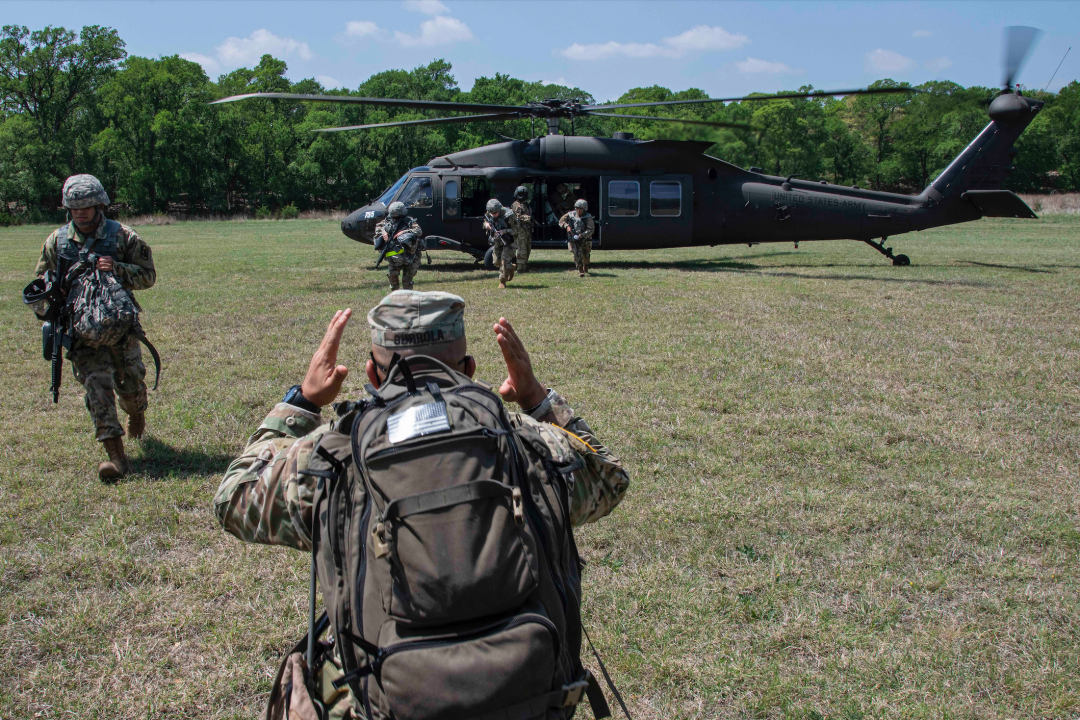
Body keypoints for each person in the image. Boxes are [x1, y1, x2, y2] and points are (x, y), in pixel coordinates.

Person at [214, 291, 630, 718]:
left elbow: (234, 495)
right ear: (469, 369)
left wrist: (301, 401)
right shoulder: (528, 441)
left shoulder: (332, 454)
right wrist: (538, 400)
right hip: (526, 697)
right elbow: (609, 477)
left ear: (372, 377)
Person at [34, 174, 156, 480]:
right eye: (74, 207)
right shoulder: (56, 242)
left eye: (86, 205)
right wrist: (53, 294)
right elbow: (39, 288)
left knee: (130, 386)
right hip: (81, 333)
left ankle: (137, 412)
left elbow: (148, 276)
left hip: (119, 327)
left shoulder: (122, 236)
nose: (80, 212)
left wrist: (116, 268)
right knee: (97, 389)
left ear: (99, 204)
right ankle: (116, 458)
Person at [374, 201, 423, 291]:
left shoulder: (409, 221)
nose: (395, 219)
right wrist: (383, 232)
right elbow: (378, 227)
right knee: (393, 279)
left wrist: (403, 232)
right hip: (394, 258)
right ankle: (395, 301)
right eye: (393, 217)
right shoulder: (387, 221)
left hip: (410, 257)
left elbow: (419, 231)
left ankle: (407, 302)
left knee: (407, 282)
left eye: (397, 217)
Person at [483, 198, 520, 289]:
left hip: (510, 241)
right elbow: (485, 221)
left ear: (499, 209)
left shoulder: (509, 215)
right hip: (498, 241)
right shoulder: (490, 213)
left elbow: (517, 230)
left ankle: (502, 281)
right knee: (496, 261)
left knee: (504, 260)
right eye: (492, 213)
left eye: (495, 213)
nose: (493, 215)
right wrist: (486, 225)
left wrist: (504, 231)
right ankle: (511, 267)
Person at [559, 199, 596, 277]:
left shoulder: (588, 217)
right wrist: (567, 226)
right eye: (577, 208)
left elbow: (591, 229)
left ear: (584, 209)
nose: (578, 211)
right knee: (576, 253)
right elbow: (561, 221)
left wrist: (581, 235)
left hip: (585, 239)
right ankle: (580, 269)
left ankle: (585, 266)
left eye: (580, 209)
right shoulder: (570, 215)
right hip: (573, 238)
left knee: (585, 253)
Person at [510, 185, 533, 273]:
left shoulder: (524, 205)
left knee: (527, 248)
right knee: (522, 249)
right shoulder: (516, 205)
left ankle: (524, 265)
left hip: (526, 230)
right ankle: (520, 268)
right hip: (520, 231)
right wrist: (529, 218)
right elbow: (517, 217)